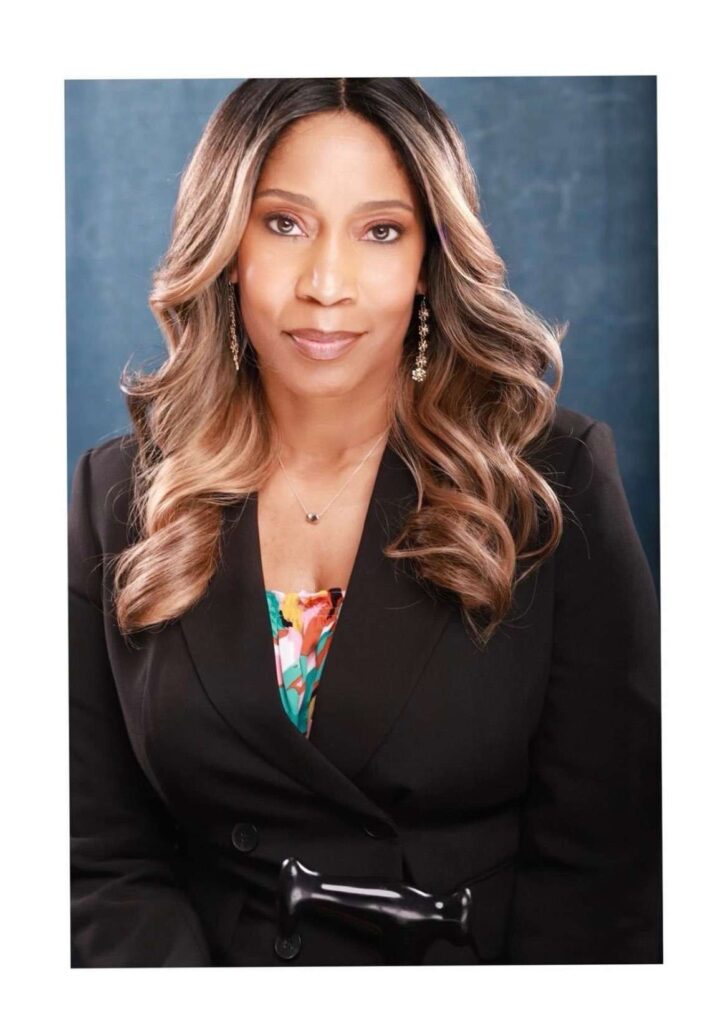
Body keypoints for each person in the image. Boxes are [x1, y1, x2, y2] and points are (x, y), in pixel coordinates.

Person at [68, 77, 661, 967]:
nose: (328, 285)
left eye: (381, 231)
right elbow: (91, 854)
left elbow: (610, 863)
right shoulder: (117, 494)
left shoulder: (552, 479)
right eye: (284, 223)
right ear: (227, 246)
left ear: (430, 259)